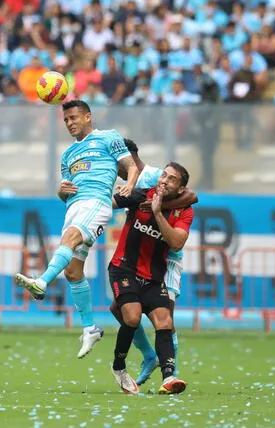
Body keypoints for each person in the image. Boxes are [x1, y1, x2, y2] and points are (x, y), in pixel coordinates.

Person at [15, 100, 139, 359]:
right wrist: (61, 192)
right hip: (74, 207)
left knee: (70, 238)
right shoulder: (68, 155)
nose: (70, 123)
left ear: (88, 117)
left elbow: (131, 166)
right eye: (66, 120)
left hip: (97, 202)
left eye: (74, 118)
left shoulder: (108, 137)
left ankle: (41, 282)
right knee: (72, 271)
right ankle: (90, 328)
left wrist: (129, 185)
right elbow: (65, 190)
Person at [110, 139, 198, 386]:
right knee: (122, 312)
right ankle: (145, 357)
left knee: (165, 319)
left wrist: (159, 210)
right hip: (128, 265)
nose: (164, 179)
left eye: (171, 179)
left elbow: (192, 196)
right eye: (164, 176)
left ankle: (170, 374)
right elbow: (110, 203)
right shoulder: (140, 188)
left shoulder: (146, 174)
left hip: (167, 263)